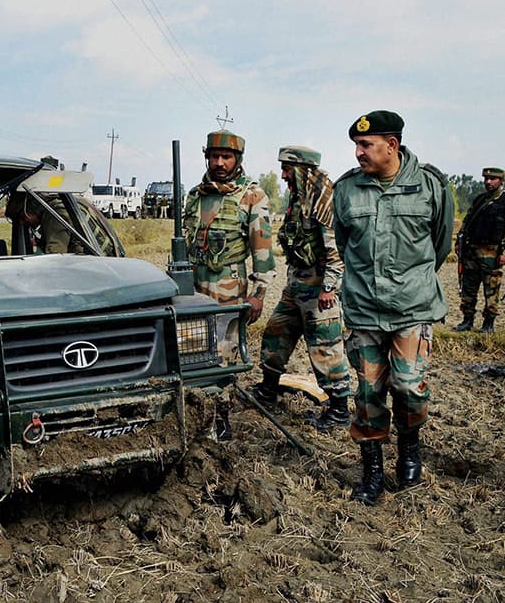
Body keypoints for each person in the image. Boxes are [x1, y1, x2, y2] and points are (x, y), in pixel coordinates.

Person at [333, 110, 453, 506]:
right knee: (368, 392)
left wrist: (409, 281)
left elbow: (441, 245)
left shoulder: (430, 186)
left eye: (366, 145)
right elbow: (344, 242)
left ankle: (410, 449)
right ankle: (371, 473)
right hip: (365, 309)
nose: (358, 152)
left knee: (407, 386)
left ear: (392, 146)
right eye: (356, 145)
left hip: (411, 307)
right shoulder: (347, 190)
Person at [257, 146, 351, 431]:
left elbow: (336, 250)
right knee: (276, 333)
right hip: (296, 282)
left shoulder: (323, 198)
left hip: (319, 285)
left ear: (302, 170)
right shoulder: (299, 198)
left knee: (325, 347)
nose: (283, 175)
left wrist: (329, 288)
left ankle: (338, 411)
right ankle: (267, 391)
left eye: (287, 169)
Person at [184, 130, 275, 355]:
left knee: (225, 348)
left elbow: (262, 251)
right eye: (214, 157)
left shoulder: (251, 196)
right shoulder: (196, 195)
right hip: (194, 285)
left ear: (238, 160)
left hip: (228, 286)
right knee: (191, 346)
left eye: (226, 157)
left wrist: (258, 294)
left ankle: (226, 387)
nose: (219, 163)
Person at [452, 167, 505, 333]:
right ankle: (467, 320)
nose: (488, 182)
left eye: (493, 179)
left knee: (491, 290)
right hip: (472, 252)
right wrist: (459, 241)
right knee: (468, 289)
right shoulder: (479, 200)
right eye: (486, 179)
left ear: (501, 181)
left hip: (492, 253)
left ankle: (488, 324)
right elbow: (467, 221)